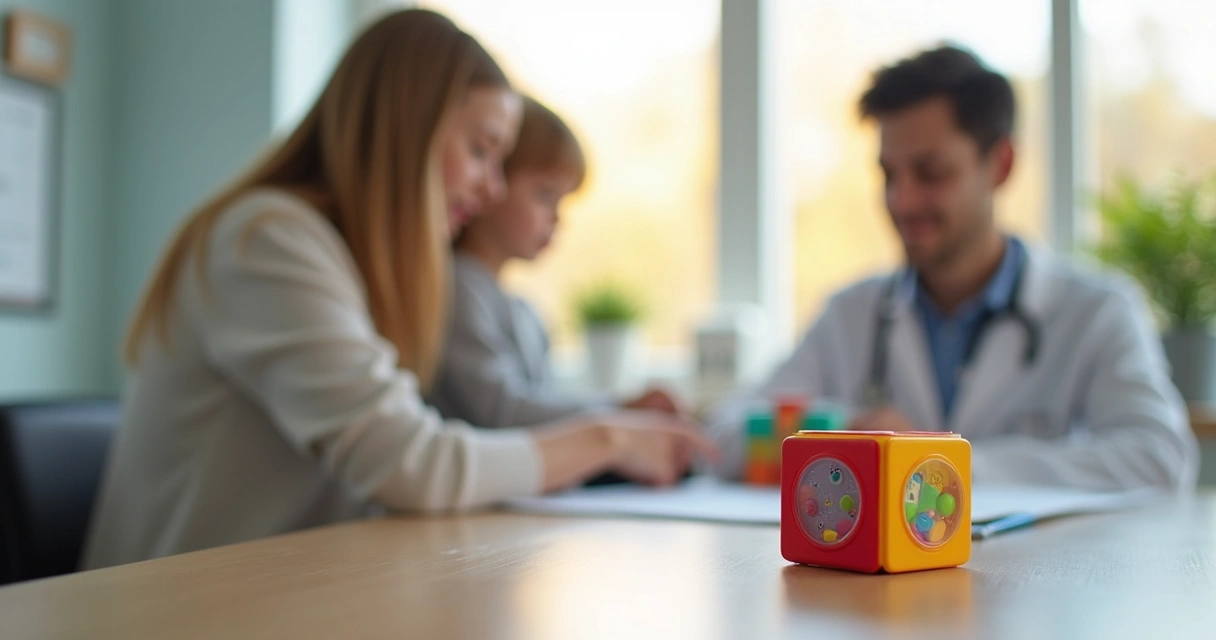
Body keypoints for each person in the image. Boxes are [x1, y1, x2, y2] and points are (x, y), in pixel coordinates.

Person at [83, 9, 713, 570]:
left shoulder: (351, 267)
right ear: (406, 132)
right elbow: (409, 462)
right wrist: (609, 436)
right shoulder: (266, 240)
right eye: (479, 150)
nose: (493, 188)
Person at [708, 46, 1197, 491]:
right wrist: (846, 432)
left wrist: (939, 462)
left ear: (1000, 164)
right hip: (877, 589)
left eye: (930, 172)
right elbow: (728, 431)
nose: (901, 200)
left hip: (1039, 583)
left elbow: (1158, 456)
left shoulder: (1097, 311)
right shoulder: (852, 313)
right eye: (888, 174)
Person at [431, 96, 682, 430]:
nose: (557, 219)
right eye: (545, 196)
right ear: (492, 182)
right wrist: (619, 411)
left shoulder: (524, 312)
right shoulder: (460, 289)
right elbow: (502, 411)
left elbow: (542, 406)